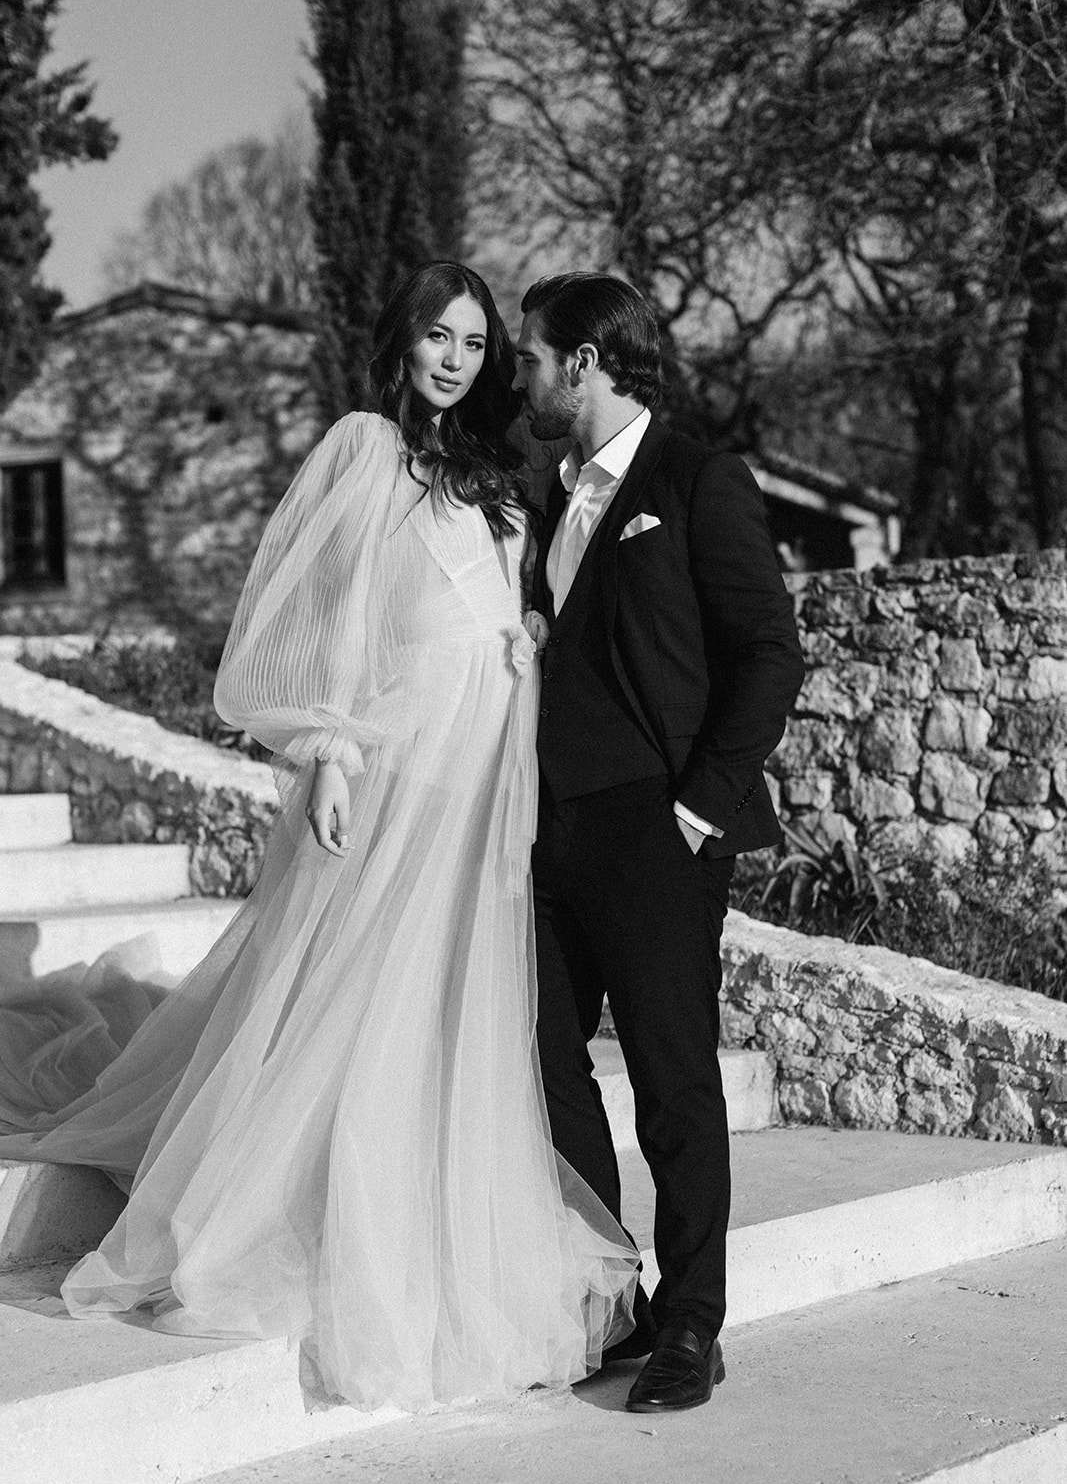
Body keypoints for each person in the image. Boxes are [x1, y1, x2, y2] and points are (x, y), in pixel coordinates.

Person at [0, 261, 637, 1411]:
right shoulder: (361, 448)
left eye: (475, 342)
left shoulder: (500, 472)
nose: (454, 357)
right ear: (397, 341)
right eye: (435, 336)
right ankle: (313, 1208)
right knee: (356, 990)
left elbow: (503, 601)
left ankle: (428, 1200)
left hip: (485, 771)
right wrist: (328, 751)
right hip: (395, 757)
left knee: (450, 1003)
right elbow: (312, 624)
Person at [513, 272, 805, 1413]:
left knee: (672, 1083)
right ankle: (609, 1296)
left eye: (533, 356)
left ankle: (691, 1320)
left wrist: (697, 809)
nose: (521, 376)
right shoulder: (546, 498)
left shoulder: (694, 479)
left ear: (584, 361)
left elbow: (766, 651)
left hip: (659, 831)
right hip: (548, 835)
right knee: (543, 1067)